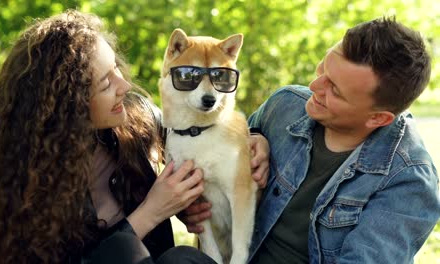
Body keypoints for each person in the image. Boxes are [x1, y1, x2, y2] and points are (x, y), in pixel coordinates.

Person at [0, 10, 270, 264]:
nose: (124, 85)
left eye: (115, 68)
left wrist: (255, 138)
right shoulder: (26, 179)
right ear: (69, 104)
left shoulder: (137, 118)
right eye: (105, 83)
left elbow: (199, 135)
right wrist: (152, 211)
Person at [181, 17, 440, 263]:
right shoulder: (285, 105)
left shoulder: (409, 181)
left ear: (378, 119)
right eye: (323, 69)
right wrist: (253, 137)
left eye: (335, 90)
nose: (315, 86)